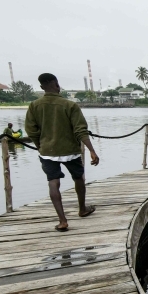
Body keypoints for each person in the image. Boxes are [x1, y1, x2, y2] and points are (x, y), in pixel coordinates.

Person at [24, 73, 100, 231]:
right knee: (78, 178)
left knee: (53, 182)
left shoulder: (35, 106)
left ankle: (63, 221)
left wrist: (40, 145)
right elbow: (80, 130)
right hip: (70, 150)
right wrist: (92, 150)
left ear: (41, 87)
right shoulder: (69, 105)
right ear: (56, 84)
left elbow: (31, 130)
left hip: (47, 151)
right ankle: (82, 209)